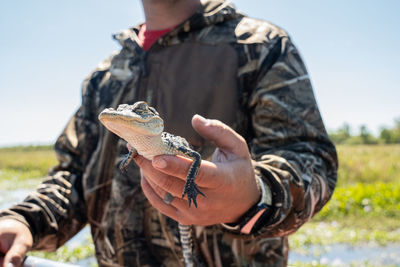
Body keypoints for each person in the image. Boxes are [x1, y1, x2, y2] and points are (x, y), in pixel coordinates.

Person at [0, 0, 338, 266]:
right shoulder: (103, 77)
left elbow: (311, 159)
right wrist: (24, 222)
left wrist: (253, 196)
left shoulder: (261, 46)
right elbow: (73, 174)